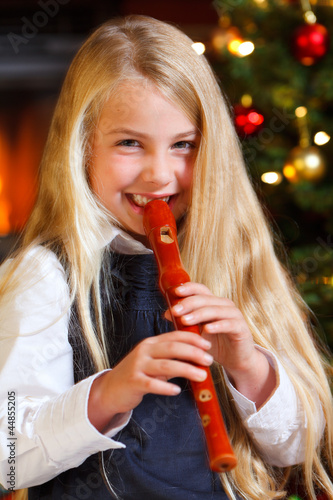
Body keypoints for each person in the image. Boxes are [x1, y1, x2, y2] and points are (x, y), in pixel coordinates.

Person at [0, 15, 332, 500]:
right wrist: (109, 392)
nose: (159, 175)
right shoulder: (45, 275)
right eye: (129, 143)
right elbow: (8, 458)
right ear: (82, 145)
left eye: (184, 146)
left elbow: (298, 445)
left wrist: (246, 365)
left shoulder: (230, 258)